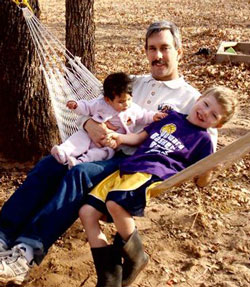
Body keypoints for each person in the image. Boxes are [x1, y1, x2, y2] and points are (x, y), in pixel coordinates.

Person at [0, 20, 217, 286]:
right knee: (51, 164)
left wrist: (203, 173)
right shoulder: (131, 83)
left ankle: (26, 251)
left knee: (78, 175)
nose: (157, 55)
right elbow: (93, 109)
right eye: (152, 48)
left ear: (180, 51)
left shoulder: (193, 100)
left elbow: (207, 155)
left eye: (165, 48)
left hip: (135, 167)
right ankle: (3, 233)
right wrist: (89, 124)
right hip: (101, 149)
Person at [79, 86, 238, 287]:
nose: (205, 112)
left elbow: (201, 183)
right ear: (199, 98)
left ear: (219, 124)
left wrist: (209, 171)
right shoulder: (168, 117)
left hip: (152, 172)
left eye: (214, 114)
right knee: (87, 212)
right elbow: (138, 138)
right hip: (126, 168)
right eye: (206, 104)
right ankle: (109, 275)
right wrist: (118, 138)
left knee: (114, 203)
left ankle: (137, 258)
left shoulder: (204, 141)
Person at [51, 72, 165, 168]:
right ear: (108, 100)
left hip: (110, 143)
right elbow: (87, 106)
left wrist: (154, 116)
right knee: (79, 138)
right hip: (90, 134)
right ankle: (64, 152)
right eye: (121, 102)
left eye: (129, 99)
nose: (126, 104)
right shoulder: (100, 104)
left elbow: (144, 116)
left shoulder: (132, 108)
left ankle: (78, 162)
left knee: (102, 153)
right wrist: (76, 106)